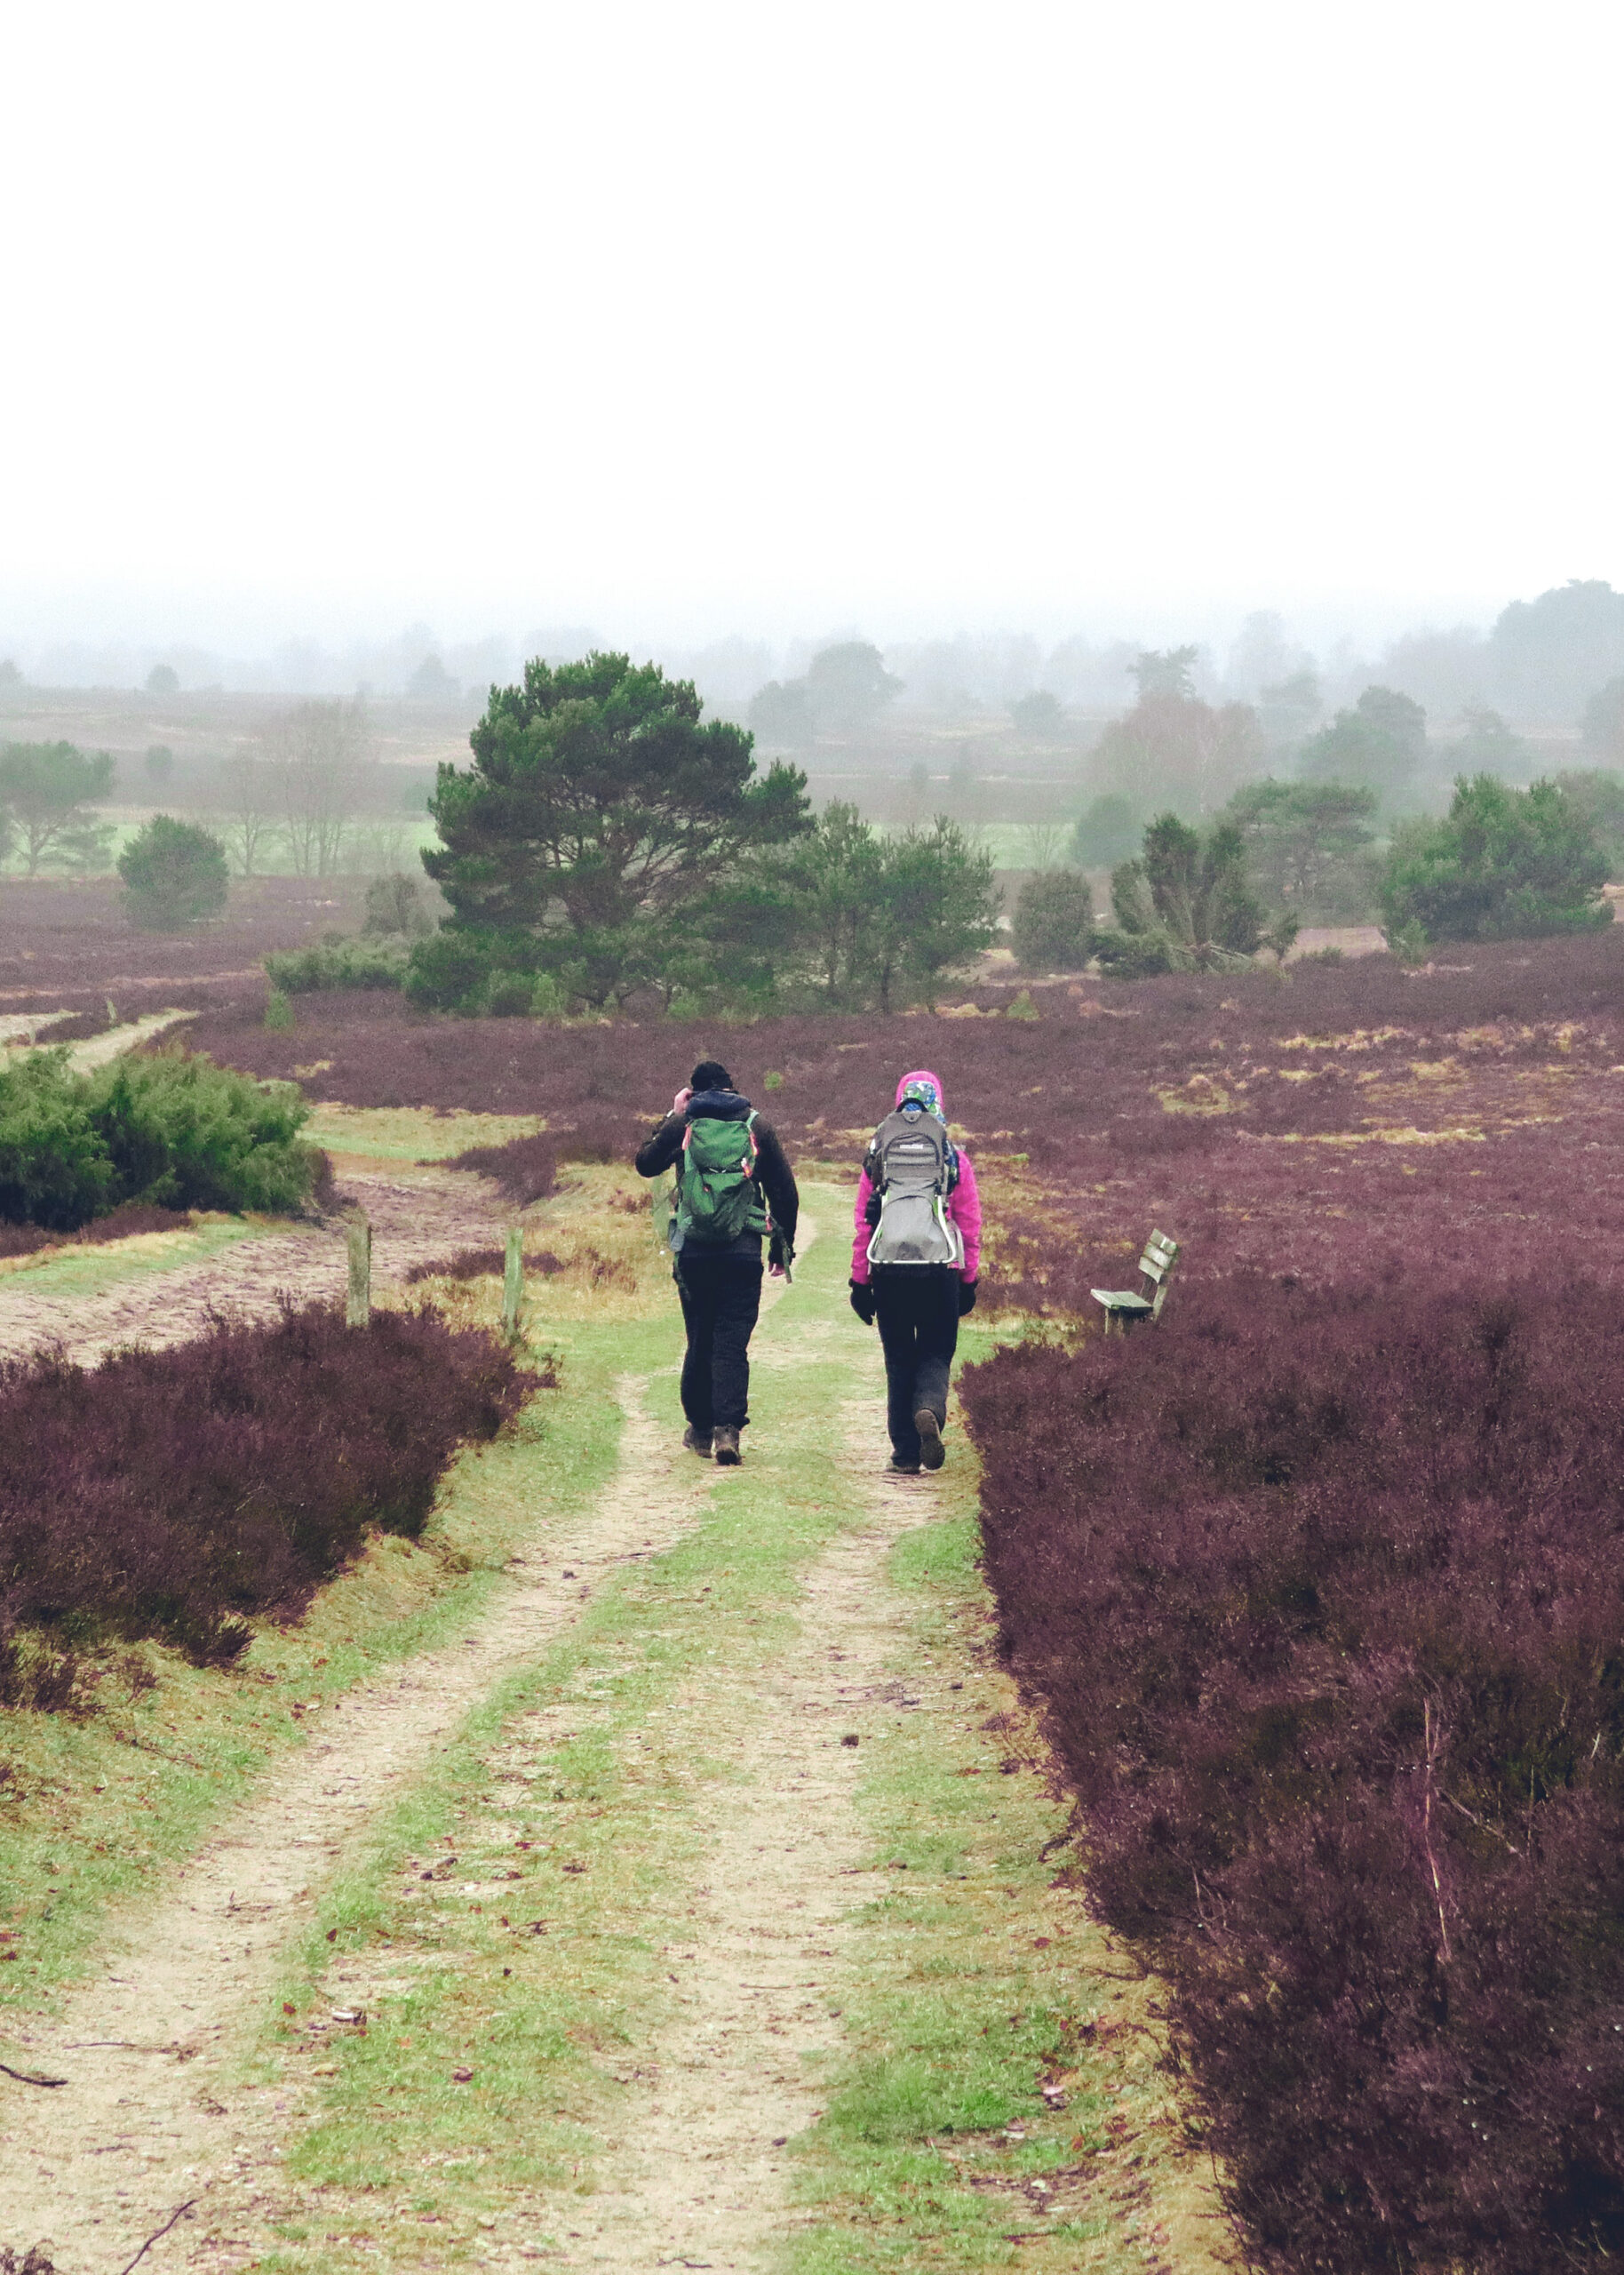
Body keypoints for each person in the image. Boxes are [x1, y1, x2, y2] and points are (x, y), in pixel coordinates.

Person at [635, 1059, 799, 1466]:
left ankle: (700, 1429)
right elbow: (785, 1193)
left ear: (694, 1091)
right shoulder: (755, 1126)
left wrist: (671, 1114)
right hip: (742, 1252)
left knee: (700, 1338)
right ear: (731, 1087)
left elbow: (645, 1163)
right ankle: (728, 1431)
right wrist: (781, 1250)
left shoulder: (684, 1124)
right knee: (731, 1343)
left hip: (694, 1252)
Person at [848, 1069, 981, 1473]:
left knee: (898, 1358)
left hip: (888, 1271)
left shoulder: (879, 1151)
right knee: (937, 1350)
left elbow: (864, 1222)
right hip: (940, 1271)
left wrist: (860, 1279)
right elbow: (969, 1222)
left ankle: (905, 1454)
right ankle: (929, 1409)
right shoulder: (953, 1157)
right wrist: (969, 1277)